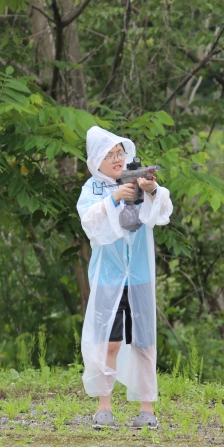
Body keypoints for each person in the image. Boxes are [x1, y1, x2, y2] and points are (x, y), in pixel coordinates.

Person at [77, 126, 174, 429]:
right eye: (109, 155)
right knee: (109, 342)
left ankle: (147, 409)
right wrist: (114, 199)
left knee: (144, 341)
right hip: (108, 276)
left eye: (119, 153)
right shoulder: (92, 189)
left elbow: (162, 213)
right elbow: (91, 225)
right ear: (97, 160)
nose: (117, 159)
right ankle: (103, 407)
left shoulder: (137, 180)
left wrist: (151, 190)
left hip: (140, 275)